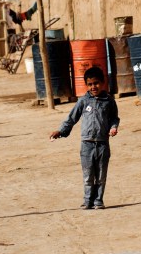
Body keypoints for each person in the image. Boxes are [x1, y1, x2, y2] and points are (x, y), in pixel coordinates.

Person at [49, 66, 119, 209]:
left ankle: (98, 200)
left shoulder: (109, 101)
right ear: (86, 85)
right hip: (86, 145)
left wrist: (113, 127)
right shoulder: (83, 101)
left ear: (103, 82)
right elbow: (72, 118)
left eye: (96, 83)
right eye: (90, 84)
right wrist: (60, 131)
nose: (94, 87)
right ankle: (88, 201)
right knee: (88, 176)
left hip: (102, 144)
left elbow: (114, 118)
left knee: (100, 176)